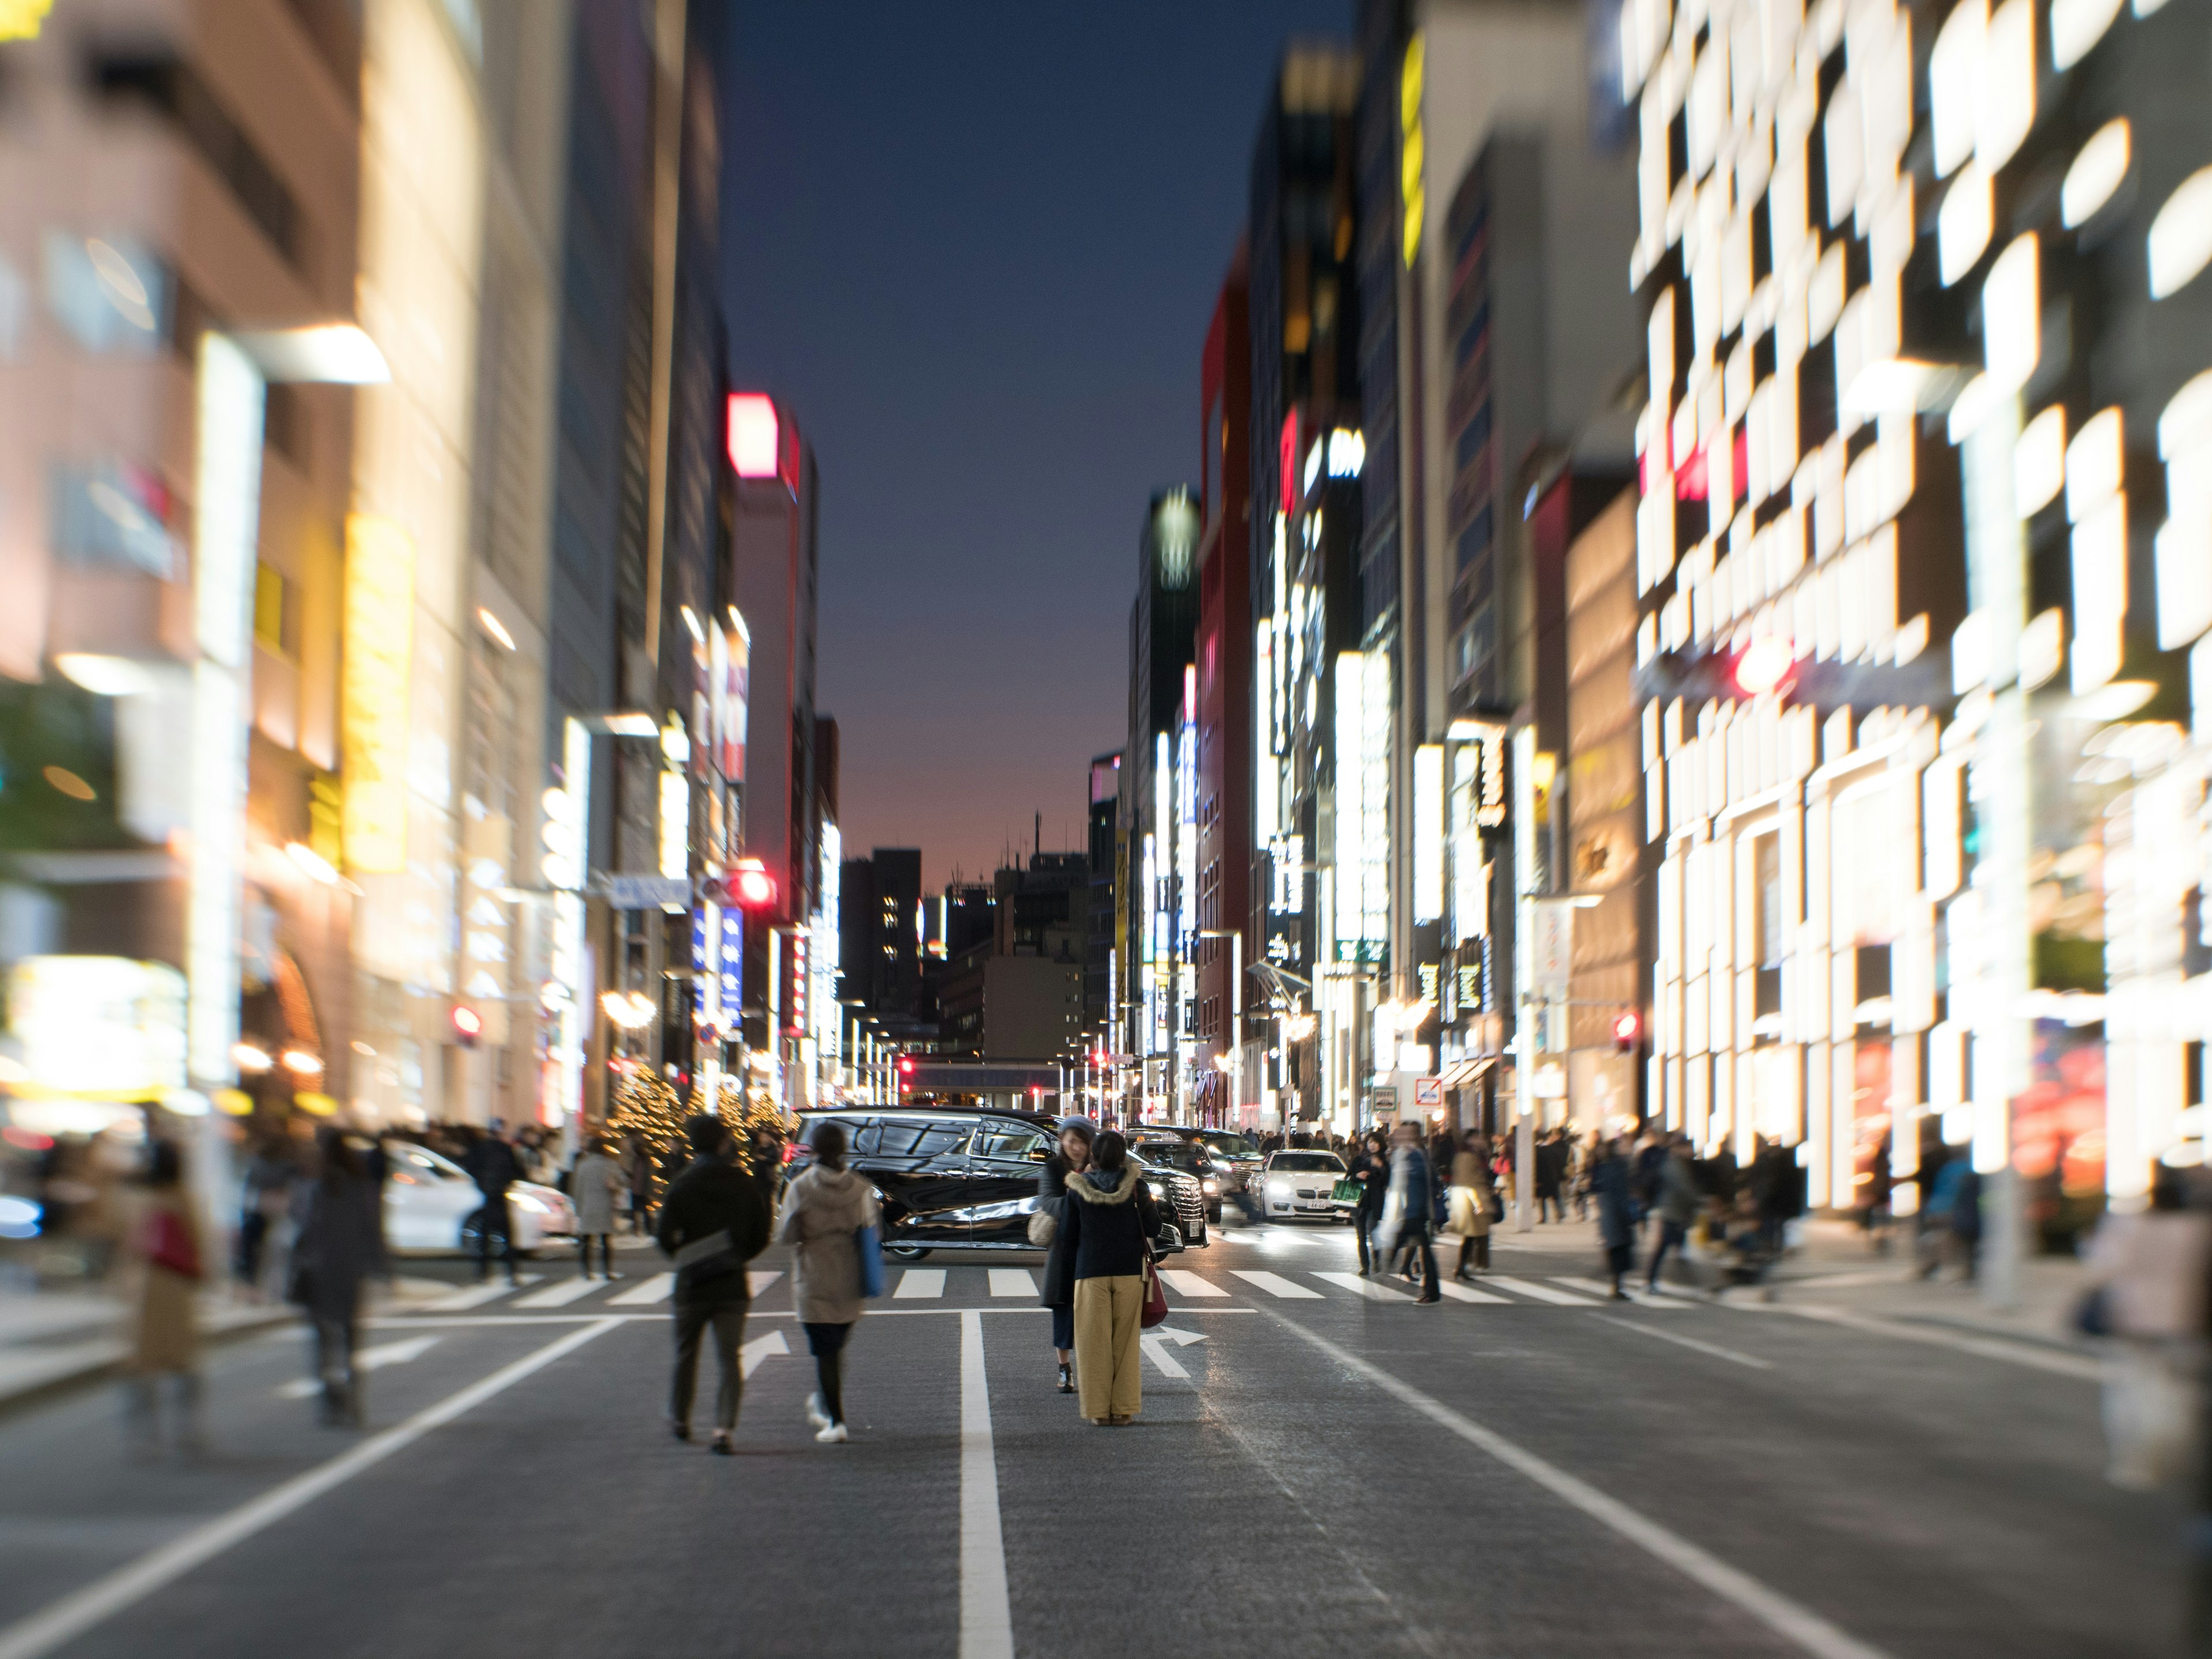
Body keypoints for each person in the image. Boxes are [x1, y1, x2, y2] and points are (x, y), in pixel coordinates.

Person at [2081, 1167, 2212, 1488]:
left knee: (2131, 1392)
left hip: (2131, 1319)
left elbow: (2103, 1268)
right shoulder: (2199, 1229)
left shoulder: (2127, 1226)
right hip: (2185, 1321)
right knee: (2177, 1392)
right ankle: (2174, 1455)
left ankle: (2137, 1463)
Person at [657, 1115, 772, 1454]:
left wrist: (686, 1257)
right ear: (723, 1142)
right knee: (729, 1357)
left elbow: (663, 1236)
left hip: (691, 1284)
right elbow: (761, 1234)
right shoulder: (743, 1183)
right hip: (731, 1283)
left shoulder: (682, 1183)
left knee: (685, 1353)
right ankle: (723, 1429)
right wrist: (736, 1256)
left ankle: (680, 1419)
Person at [776, 1120, 878, 1445]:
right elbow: (871, 1228)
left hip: (814, 1276)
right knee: (836, 1349)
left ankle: (835, 1420)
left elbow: (786, 1235)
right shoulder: (861, 1189)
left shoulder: (801, 1187)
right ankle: (826, 1405)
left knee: (826, 1353)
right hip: (849, 1277)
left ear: (814, 1149)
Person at [1059, 1129, 1162, 1425]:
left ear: (1095, 1156)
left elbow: (1066, 1236)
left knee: (1093, 1344)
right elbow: (1154, 1228)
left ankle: (1098, 1412)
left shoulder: (1077, 1188)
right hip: (1129, 1272)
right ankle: (1123, 1410)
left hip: (1090, 1272)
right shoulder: (1137, 1188)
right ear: (1123, 1156)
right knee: (1126, 1345)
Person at [287, 1128, 389, 1426]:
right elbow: (372, 1229)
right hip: (349, 1271)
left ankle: (329, 1401)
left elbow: (299, 1225)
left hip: (317, 1271)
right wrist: (380, 1268)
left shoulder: (310, 1186)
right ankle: (354, 1399)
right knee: (350, 1339)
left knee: (322, 1341)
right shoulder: (360, 1186)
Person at [123, 1141, 204, 1458]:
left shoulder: (140, 1199)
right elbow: (196, 1241)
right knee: (182, 1360)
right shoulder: (183, 1198)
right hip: (176, 1285)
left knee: (142, 1362)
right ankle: (188, 1431)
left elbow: (129, 1242)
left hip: (144, 1286)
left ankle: (144, 1436)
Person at [1037, 1116, 1096, 1392]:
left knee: (1091, 1312)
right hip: (1063, 1250)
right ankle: (1064, 1369)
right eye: (1071, 1140)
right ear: (1062, 1140)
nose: (1076, 1147)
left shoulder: (1097, 1167)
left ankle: (1091, 1368)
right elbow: (1048, 1202)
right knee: (1063, 1310)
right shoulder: (1052, 1168)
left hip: (1092, 1247)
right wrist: (1080, 1193)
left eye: (1082, 1141)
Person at [1381, 1122, 1441, 1303]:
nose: (1398, 1137)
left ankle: (1383, 1271)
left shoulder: (1415, 1156)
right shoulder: (1404, 1155)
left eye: (1403, 1134)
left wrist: (1411, 1212)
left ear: (1412, 1137)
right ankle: (1430, 1291)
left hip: (1416, 1212)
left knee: (1403, 1243)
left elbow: (1426, 1185)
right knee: (1425, 1252)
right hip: (1411, 1212)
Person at [460, 1123, 524, 1285]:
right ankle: (512, 1273)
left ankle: (483, 1274)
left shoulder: (479, 1149)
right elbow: (517, 1171)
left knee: (485, 1237)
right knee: (508, 1237)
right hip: (501, 1197)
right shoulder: (505, 1149)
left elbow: (469, 1167)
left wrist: (481, 1184)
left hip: (486, 1198)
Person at [233, 1132, 294, 1297]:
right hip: (263, 1210)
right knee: (260, 1250)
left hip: (268, 1211)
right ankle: (256, 1285)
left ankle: (262, 1286)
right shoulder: (270, 1165)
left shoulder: (280, 1166)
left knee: (267, 1251)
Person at [1645, 1134, 1700, 1293]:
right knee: (1666, 1248)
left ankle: (1685, 1281)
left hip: (1677, 1212)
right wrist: (1698, 1200)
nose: (1690, 1151)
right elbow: (1684, 1187)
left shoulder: (1680, 1164)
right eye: (1687, 1147)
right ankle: (1651, 1281)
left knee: (1678, 1249)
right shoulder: (1673, 1166)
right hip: (1672, 1213)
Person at [569, 1135, 626, 1280]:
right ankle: (607, 1271)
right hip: (605, 1207)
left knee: (586, 1241)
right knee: (606, 1240)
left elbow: (577, 1189)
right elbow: (623, 1181)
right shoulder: (610, 1164)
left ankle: (587, 1272)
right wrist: (615, 1188)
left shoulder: (582, 1165)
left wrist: (578, 1209)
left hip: (587, 1207)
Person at [1592, 1135, 1637, 1299]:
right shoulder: (1620, 1167)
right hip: (1618, 1216)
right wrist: (1630, 1215)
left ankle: (1617, 1285)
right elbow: (1622, 1194)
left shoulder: (1607, 1167)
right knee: (1620, 1252)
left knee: (1616, 1250)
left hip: (1611, 1215)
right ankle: (1617, 1287)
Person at [1448, 1132, 1494, 1278]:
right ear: (1470, 1140)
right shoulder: (1467, 1156)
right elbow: (1467, 1181)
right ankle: (1465, 1266)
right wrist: (1478, 1203)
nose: (1481, 1140)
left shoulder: (1477, 1154)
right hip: (1472, 1200)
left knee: (1473, 1235)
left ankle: (1465, 1266)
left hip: (1477, 1198)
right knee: (1473, 1235)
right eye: (1477, 1137)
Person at [1349, 1131, 1390, 1274]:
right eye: (1370, 1142)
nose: (1372, 1145)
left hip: (1374, 1202)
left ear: (1381, 1144)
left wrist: (1380, 1168)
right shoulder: (1358, 1160)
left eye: (1375, 1142)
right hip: (1358, 1202)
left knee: (1373, 1233)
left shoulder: (1384, 1162)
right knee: (1361, 1236)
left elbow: (1386, 1181)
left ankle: (1377, 1260)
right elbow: (1349, 1177)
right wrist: (1357, 1175)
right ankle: (1365, 1266)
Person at [623, 1131, 654, 1233]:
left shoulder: (643, 1159)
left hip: (640, 1186)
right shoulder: (635, 1158)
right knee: (637, 1209)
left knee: (642, 1209)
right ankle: (638, 1228)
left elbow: (647, 1174)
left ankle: (645, 1228)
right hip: (636, 1186)